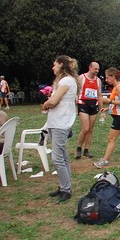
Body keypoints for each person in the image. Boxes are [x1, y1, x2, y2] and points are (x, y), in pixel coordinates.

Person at [42, 55, 79, 203]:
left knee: (57, 158)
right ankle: (65, 186)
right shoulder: (64, 81)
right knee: (62, 157)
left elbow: (53, 101)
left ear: (61, 65)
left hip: (60, 123)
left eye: (54, 65)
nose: (53, 67)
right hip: (57, 122)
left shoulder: (66, 81)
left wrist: (46, 104)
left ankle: (66, 189)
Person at [76, 62, 103, 159]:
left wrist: (101, 109)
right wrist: (76, 103)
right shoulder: (81, 78)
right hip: (83, 103)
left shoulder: (98, 80)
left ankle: (86, 150)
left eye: (98, 69)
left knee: (90, 129)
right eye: (95, 69)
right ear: (90, 68)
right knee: (85, 128)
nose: (97, 71)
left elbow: (99, 95)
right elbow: (76, 91)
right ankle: (78, 148)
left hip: (93, 104)